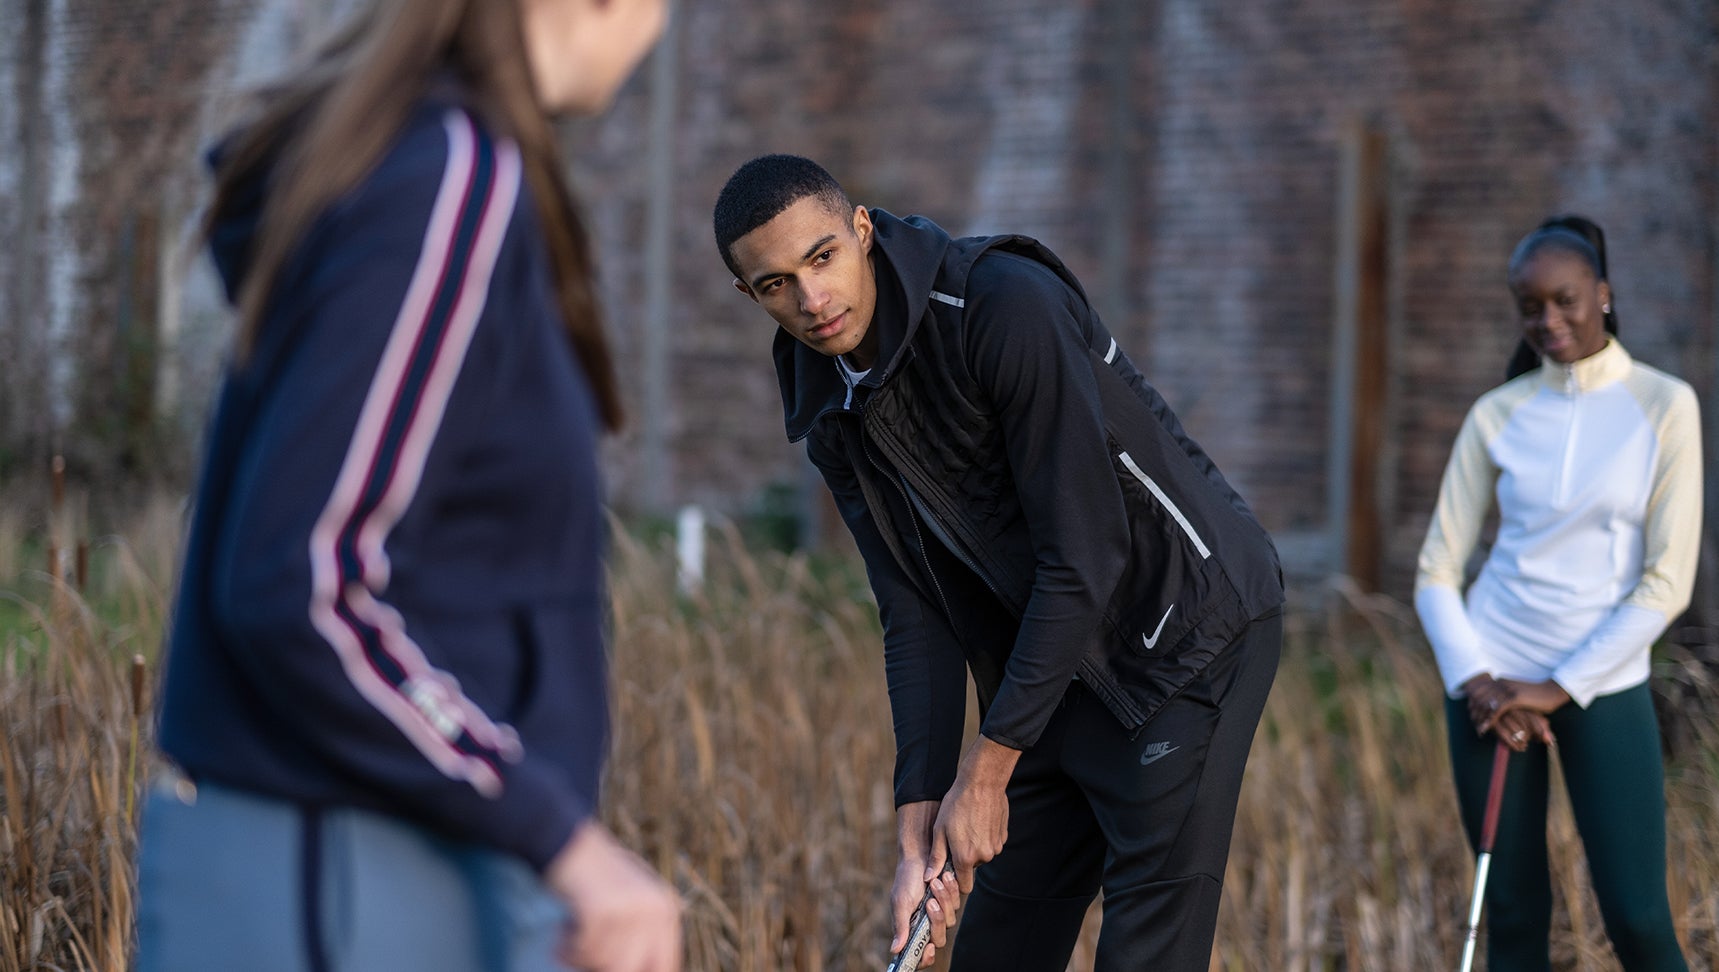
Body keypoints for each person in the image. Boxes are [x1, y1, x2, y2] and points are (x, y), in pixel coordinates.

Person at [137, 2, 683, 970]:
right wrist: (566, 843)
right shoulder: (449, 179)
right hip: (347, 870)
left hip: (378, 860)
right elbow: (307, 585)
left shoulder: (423, 165)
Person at [712, 155, 1285, 970]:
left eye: (821, 257)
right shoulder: (826, 396)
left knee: (1146, 954)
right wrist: (918, 817)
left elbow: (1085, 554)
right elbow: (912, 609)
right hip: (1047, 667)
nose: (810, 300)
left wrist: (986, 771)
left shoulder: (1002, 304)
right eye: (774, 284)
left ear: (862, 230)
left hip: (1185, 633)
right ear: (749, 295)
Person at [1415, 214, 1699, 971]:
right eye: (1530, 307)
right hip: (1489, 684)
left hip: (1600, 681)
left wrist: (1556, 687)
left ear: (1601, 294)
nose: (1549, 321)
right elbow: (1436, 569)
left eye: (1565, 301)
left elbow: (1665, 583)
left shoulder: (1664, 406)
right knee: (1510, 916)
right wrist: (1476, 681)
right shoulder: (1496, 414)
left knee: (1637, 919)